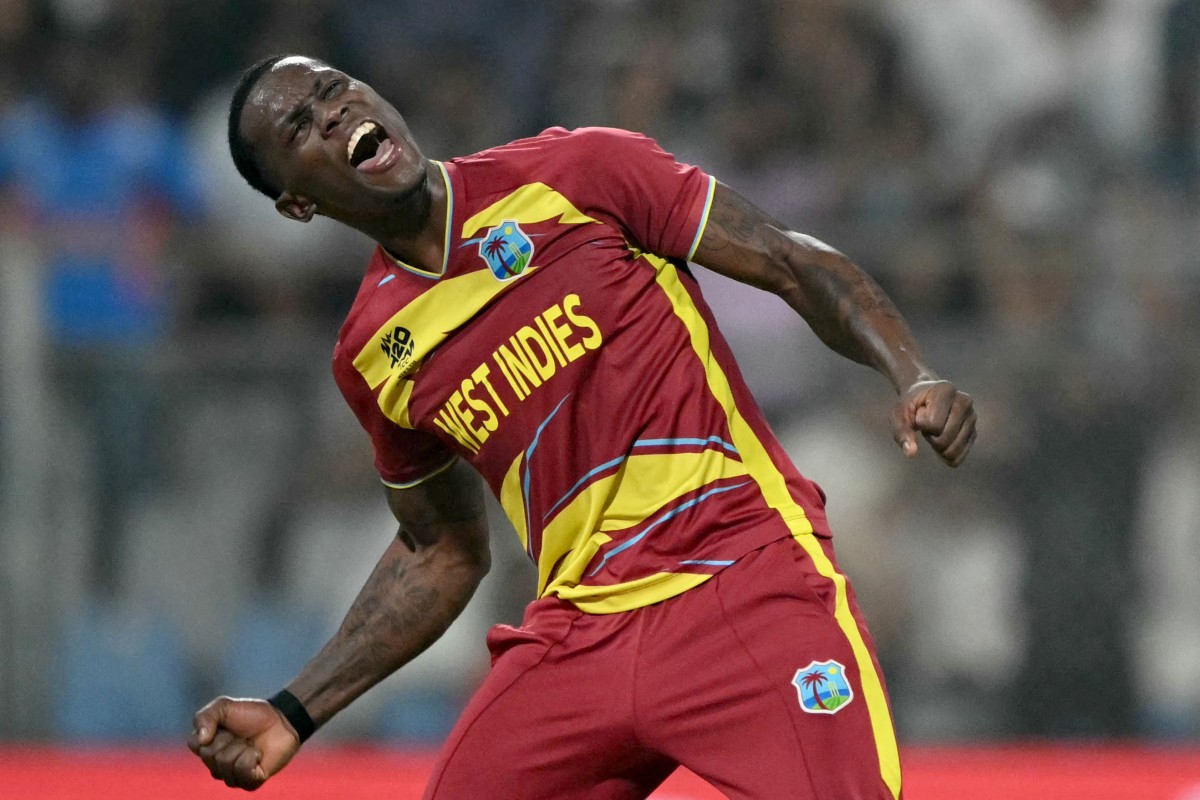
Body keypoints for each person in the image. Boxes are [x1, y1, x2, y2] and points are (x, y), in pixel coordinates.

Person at [188, 54, 976, 800]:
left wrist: (913, 371)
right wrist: (296, 709)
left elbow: (786, 259)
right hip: (582, 631)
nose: (333, 114)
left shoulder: (576, 172)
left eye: (334, 88)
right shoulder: (371, 353)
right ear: (297, 202)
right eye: (298, 128)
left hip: (743, 574)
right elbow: (442, 551)